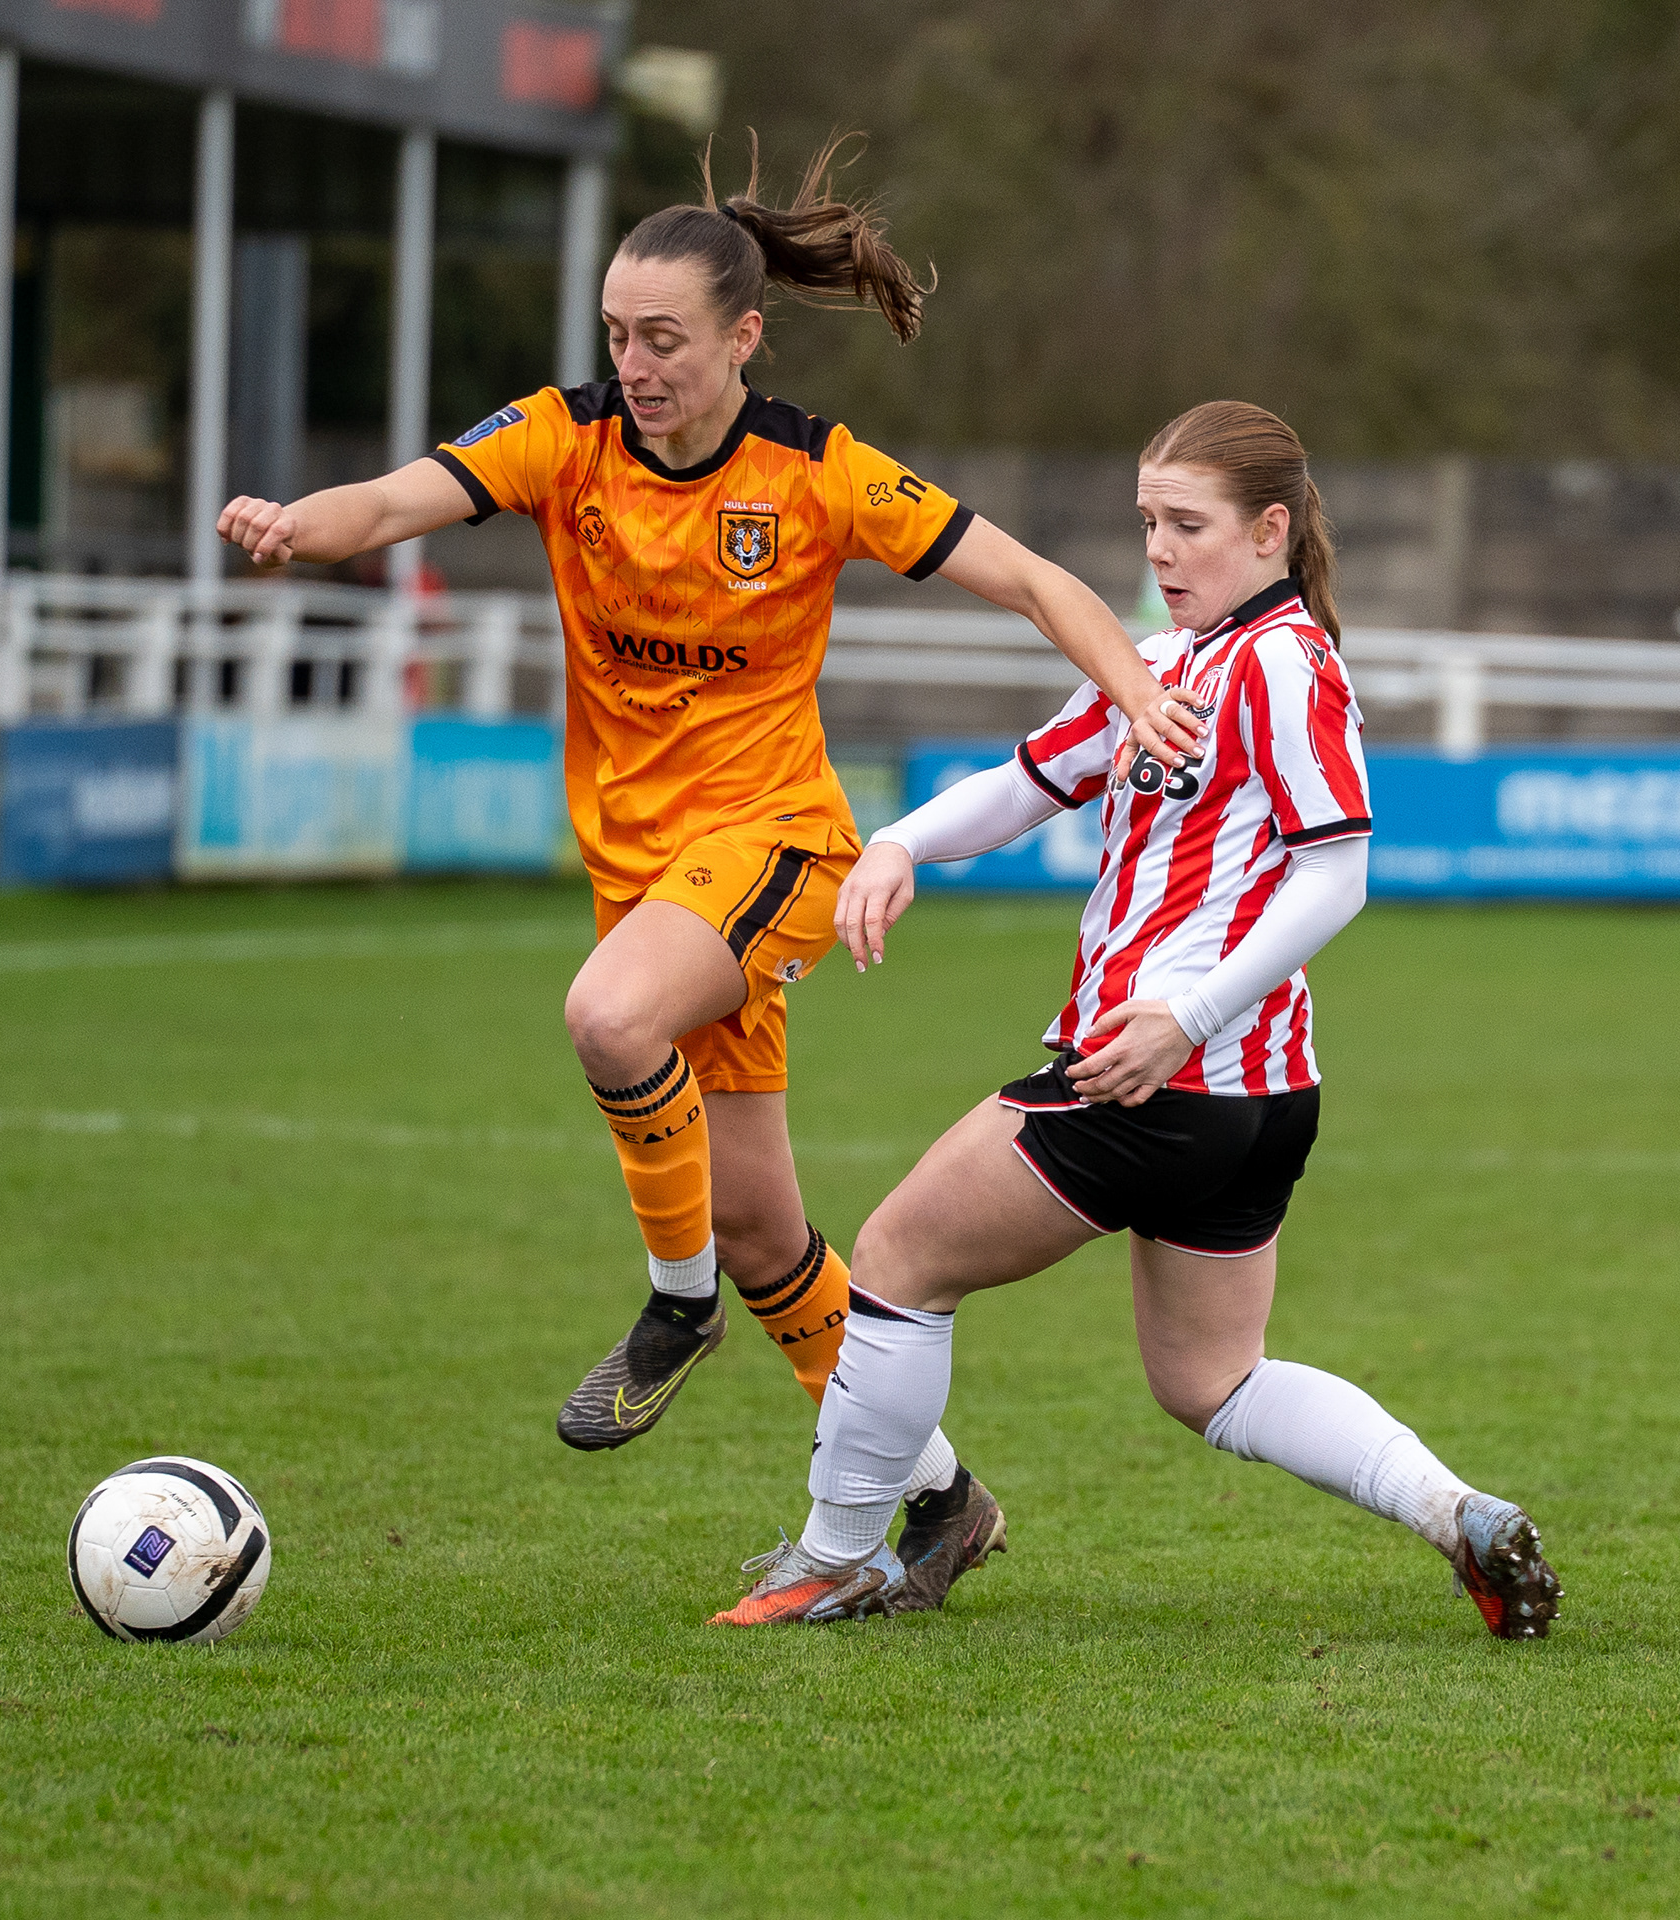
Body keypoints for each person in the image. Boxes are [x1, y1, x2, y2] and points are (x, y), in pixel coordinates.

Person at [217, 139, 1196, 1613]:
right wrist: (299, 525)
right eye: (618, 333)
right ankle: (940, 1502)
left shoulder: (817, 472)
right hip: (652, 874)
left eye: (663, 338)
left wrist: (1135, 692)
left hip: (781, 846)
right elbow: (399, 496)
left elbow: (1039, 582)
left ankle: (673, 1316)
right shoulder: (567, 439)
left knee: (611, 1021)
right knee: (760, 1231)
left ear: (744, 337)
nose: (636, 362)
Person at [712, 401, 1563, 1638]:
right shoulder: (1157, 662)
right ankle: (1459, 1514)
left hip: (1159, 1075)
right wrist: (898, 842)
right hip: (1247, 1099)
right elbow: (1026, 782)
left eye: (1188, 525)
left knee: (895, 1262)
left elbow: (1340, 871)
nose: (1160, 551)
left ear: (1271, 531)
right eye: (1146, 523)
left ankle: (837, 1553)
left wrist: (1186, 1014)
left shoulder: (1285, 663)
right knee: (1212, 1381)